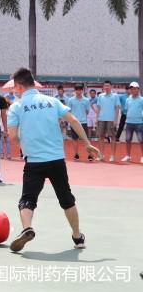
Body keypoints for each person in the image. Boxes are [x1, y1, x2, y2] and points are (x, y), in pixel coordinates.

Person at [6, 67, 101, 253]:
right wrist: (87, 144)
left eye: (15, 87)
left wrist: (23, 146)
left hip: (34, 160)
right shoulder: (52, 101)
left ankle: (27, 228)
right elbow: (73, 121)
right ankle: (77, 236)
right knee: (66, 198)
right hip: (56, 159)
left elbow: (13, 136)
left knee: (27, 199)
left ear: (19, 86)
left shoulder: (16, 106)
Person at [95, 80, 120, 161]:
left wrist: (116, 119)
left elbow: (117, 108)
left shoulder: (115, 96)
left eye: (108, 85)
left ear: (111, 86)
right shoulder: (100, 96)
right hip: (101, 119)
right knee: (101, 136)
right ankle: (101, 155)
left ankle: (112, 156)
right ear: (103, 87)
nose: (106, 87)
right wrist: (96, 118)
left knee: (112, 137)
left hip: (111, 119)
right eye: (105, 86)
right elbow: (98, 107)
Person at [67, 84, 93, 162]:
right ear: (75, 90)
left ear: (82, 90)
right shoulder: (70, 100)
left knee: (85, 139)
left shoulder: (86, 100)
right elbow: (69, 111)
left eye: (80, 90)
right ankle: (76, 154)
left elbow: (87, 111)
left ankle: (90, 155)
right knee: (75, 139)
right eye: (77, 90)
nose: (78, 91)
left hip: (83, 122)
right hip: (73, 122)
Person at [123, 82, 143, 163]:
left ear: (138, 89)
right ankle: (128, 156)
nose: (133, 90)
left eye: (135, 89)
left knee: (141, 140)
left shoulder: (142, 99)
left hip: (139, 123)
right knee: (128, 140)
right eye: (131, 89)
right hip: (129, 122)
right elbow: (126, 109)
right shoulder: (128, 99)